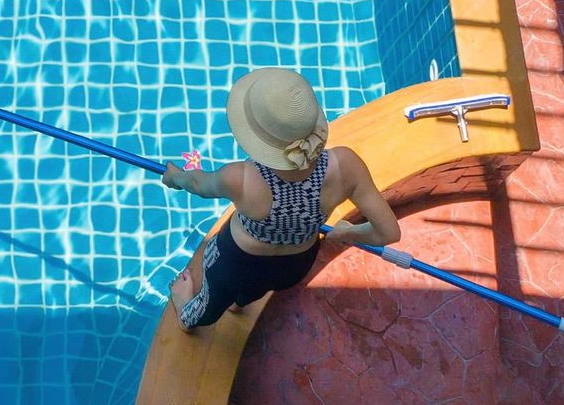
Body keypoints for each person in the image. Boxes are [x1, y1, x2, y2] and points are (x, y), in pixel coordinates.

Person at [162, 67, 401, 332]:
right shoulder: (346, 165)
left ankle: (186, 312)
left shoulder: (241, 178)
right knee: (255, 289)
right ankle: (240, 304)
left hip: (235, 263)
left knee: (210, 303)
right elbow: (388, 232)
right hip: (293, 265)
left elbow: (197, 183)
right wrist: (349, 232)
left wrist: (175, 177)